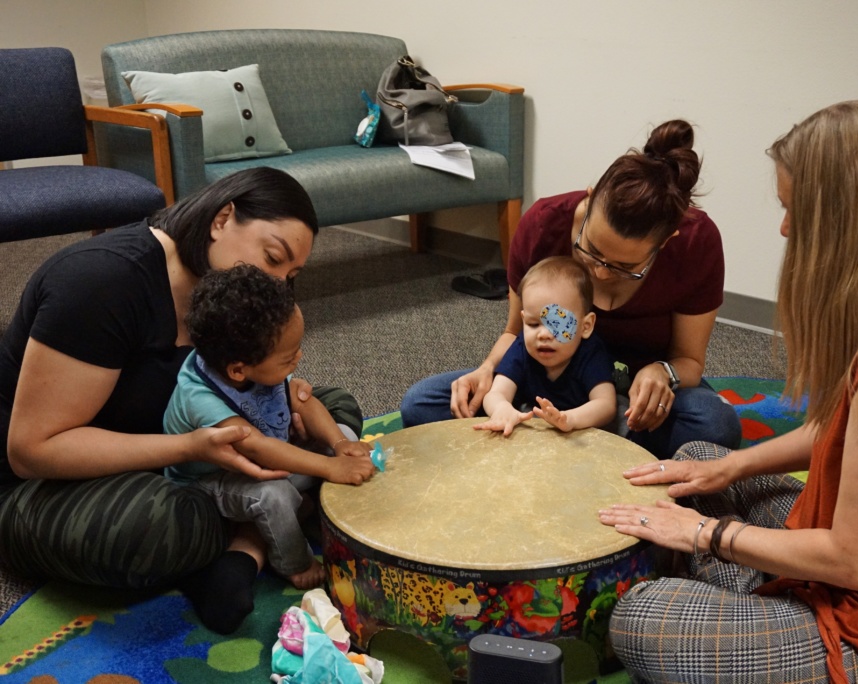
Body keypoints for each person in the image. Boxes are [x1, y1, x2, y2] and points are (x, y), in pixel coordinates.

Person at [597, 101, 858, 682]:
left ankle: (749, 616)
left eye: (792, 209)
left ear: (845, 220)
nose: (785, 229)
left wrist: (704, 535)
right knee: (699, 463)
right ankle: (753, 612)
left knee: (641, 617)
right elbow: (852, 432)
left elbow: (855, 560)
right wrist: (735, 467)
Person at [0, 167, 364, 635]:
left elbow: (252, 385)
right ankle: (264, 528)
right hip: (42, 485)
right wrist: (190, 448)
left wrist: (284, 400)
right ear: (221, 219)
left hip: (183, 455)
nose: (277, 284)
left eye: (290, 275)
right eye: (272, 258)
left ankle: (243, 548)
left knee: (333, 410)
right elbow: (32, 452)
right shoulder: (101, 282)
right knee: (152, 528)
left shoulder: (228, 297)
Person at [402, 120, 741, 457]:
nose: (601, 273)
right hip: (544, 380)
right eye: (591, 249)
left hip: (634, 399)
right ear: (591, 199)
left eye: (625, 267)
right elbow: (517, 332)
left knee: (714, 425)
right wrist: (488, 369)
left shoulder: (697, 243)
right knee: (423, 403)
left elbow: (690, 361)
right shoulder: (542, 224)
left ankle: (565, 446)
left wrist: (663, 372)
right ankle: (590, 447)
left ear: (667, 241)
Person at [164, 264, 375, 590]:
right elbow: (258, 448)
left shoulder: (249, 359)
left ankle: (310, 513)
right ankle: (294, 562)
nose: (298, 358)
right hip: (210, 482)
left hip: (267, 460)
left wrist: (337, 445)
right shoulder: (200, 397)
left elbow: (302, 400)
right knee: (273, 496)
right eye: (288, 358)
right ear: (238, 371)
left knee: (346, 435)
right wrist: (331, 467)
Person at [473, 256, 616, 436]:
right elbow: (495, 393)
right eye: (533, 324)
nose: (543, 334)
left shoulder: (591, 352)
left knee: (625, 419)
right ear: (524, 320)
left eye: (557, 324)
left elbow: (606, 405)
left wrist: (570, 419)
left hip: (582, 427)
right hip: (533, 419)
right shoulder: (522, 347)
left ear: (585, 326)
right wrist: (502, 408)